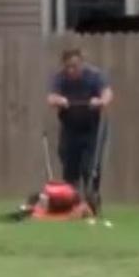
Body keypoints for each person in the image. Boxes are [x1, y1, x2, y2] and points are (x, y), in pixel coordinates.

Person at [46, 48, 113, 208]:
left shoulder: (94, 76)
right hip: (70, 128)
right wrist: (59, 100)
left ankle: (92, 199)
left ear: (81, 63)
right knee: (69, 166)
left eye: (74, 66)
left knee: (89, 167)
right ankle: (70, 201)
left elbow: (107, 92)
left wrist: (100, 101)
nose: (71, 70)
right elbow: (50, 97)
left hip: (91, 129)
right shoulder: (60, 78)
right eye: (68, 67)